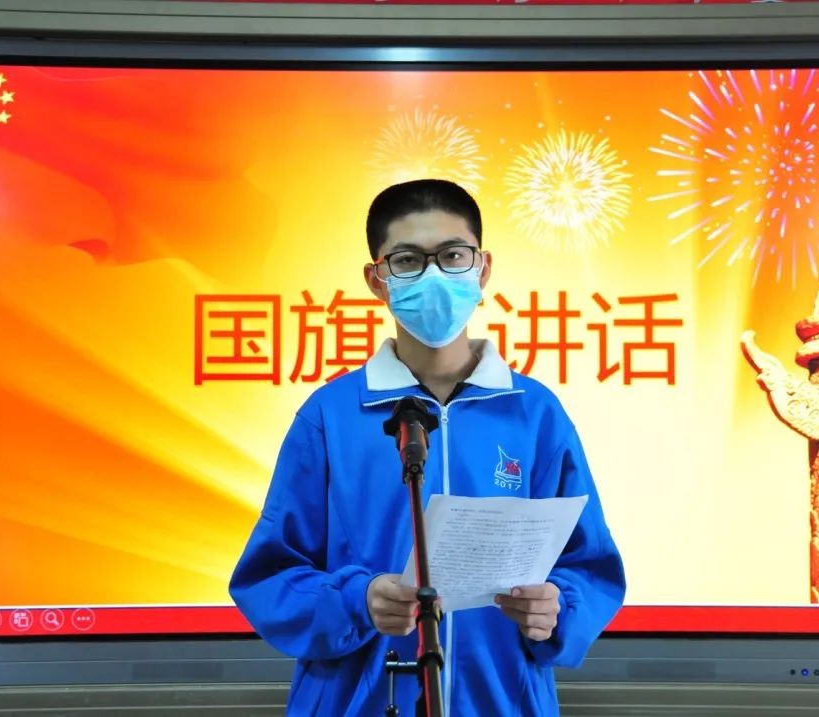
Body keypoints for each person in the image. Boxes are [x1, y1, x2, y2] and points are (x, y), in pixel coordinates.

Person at [229, 178, 626, 715]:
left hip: (501, 700)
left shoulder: (533, 413)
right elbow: (269, 576)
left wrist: (558, 609)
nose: (434, 275)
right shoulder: (330, 416)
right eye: (409, 260)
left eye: (453, 255)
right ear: (377, 280)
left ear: (482, 268)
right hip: (358, 701)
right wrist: (357, 601)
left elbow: (589, 565)